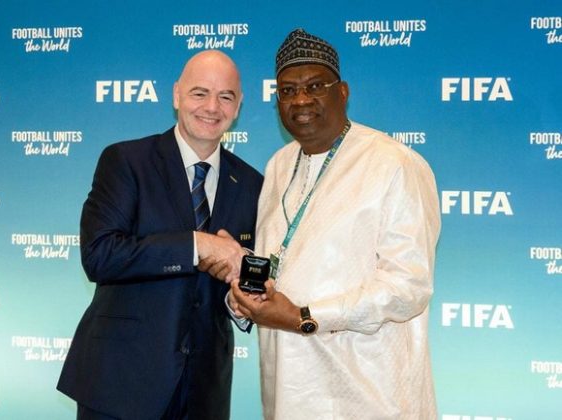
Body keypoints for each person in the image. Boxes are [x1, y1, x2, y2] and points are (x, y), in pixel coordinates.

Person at [230, 29, 441, 419]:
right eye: (288, 91)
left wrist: (305, 316)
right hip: (289, 392)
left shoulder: (394, 163)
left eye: (315, 86)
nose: (301, 100)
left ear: (342, 92)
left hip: (368, 395)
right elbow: (279, 258)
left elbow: (408, 286)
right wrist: (246, 296)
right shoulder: (278, 165)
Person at [57, 50, 263, 420]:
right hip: (120, 383)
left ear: (238, 106)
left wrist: (241, 297)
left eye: (225, 96)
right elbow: (100, 255)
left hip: (205, 392)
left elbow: (241, 277)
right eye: (200, 93)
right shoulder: (126, 161)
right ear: (177, 95)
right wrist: (198, 245)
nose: (212, 107)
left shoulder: (251, 183)